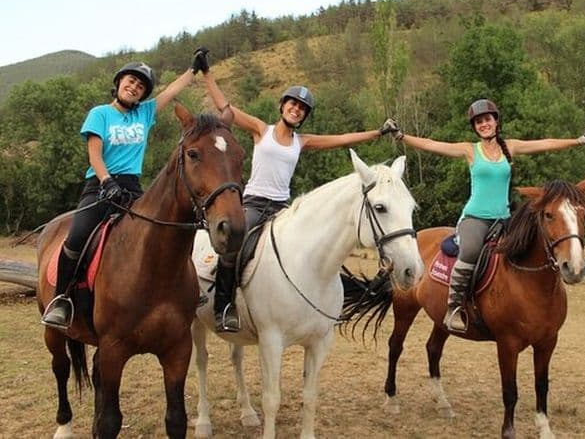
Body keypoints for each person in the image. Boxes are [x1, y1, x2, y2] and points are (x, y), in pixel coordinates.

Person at [193, 48, 398, 332]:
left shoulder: (302, 141)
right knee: (235, 242)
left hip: (282, 208)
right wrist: (207, 74)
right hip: (253, 203)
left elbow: (342, 139)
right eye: (292, 104)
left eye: (301, 108)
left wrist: (377, 133)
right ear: (282, 106)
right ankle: (224, 305)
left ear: (303, 116)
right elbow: (225, 108)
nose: (296, 109)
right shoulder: (259, 130)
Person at [387, 99, 585, 333]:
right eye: (479, 122)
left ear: (496, 121)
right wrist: (401, 137)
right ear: (475, 127)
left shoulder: (510, 146)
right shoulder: (470, 150)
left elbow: (545, 143)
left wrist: (578, 141)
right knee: (469, 252)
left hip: (505, 218)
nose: (484, 124)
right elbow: (431, 144)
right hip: (475, 218)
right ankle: (455, 307)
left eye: (487, 119)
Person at [41, 53, 201, 330]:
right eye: (131, 81)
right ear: (119, 83)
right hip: (100, 186)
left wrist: (193, 69)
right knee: (77, 237)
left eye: (141, 86)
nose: (135, 87)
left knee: (168, 233)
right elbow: (94, 155)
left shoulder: (145, 113)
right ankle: (61, 300)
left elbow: (172, 90)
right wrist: (106, 182)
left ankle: (181, 292)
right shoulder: (100, 114)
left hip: (132, 189)